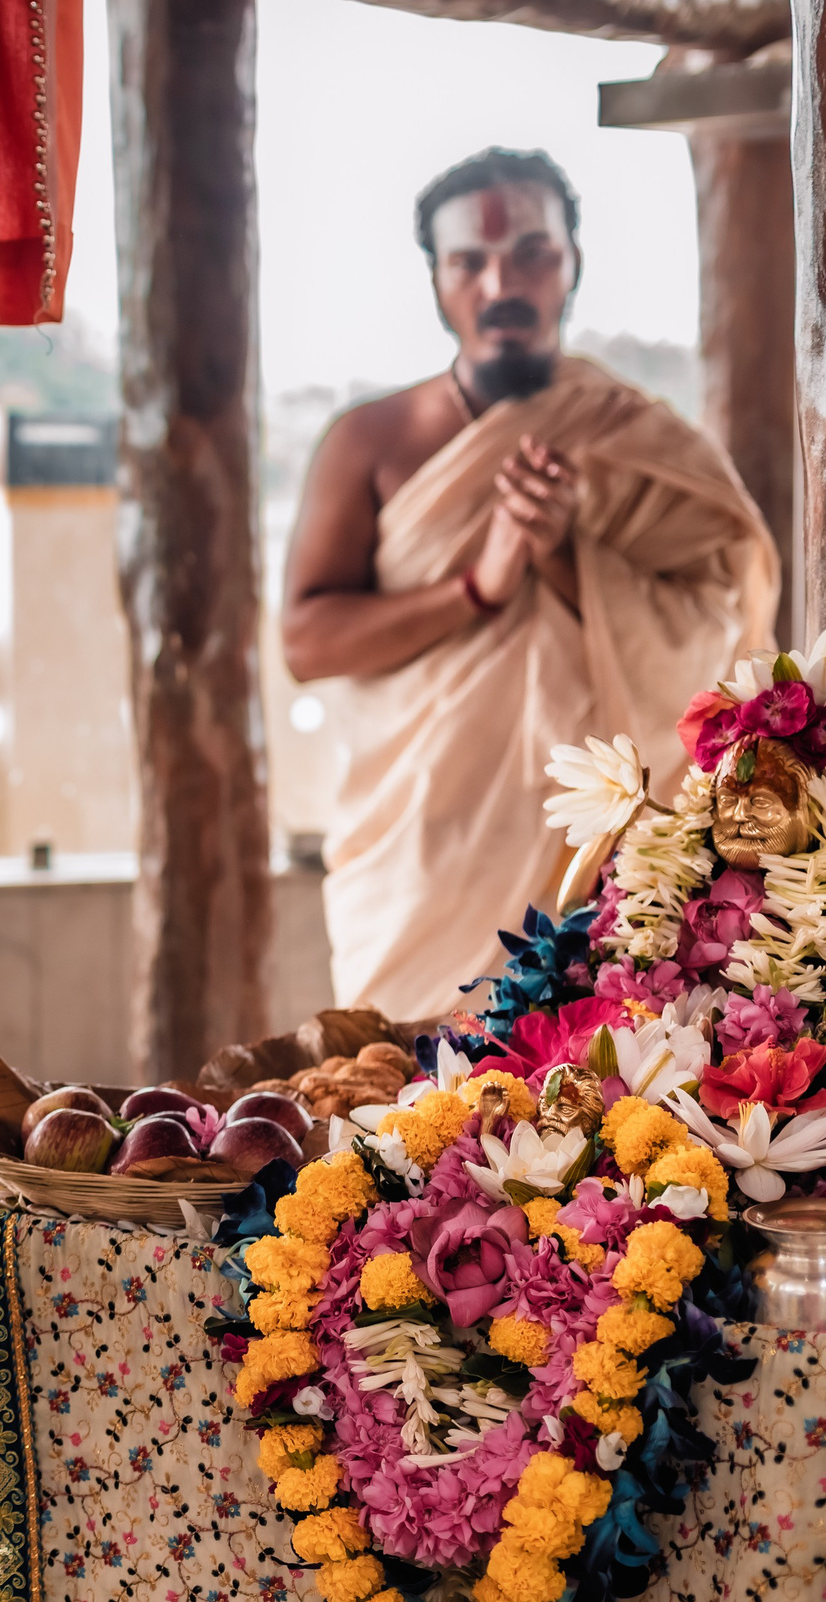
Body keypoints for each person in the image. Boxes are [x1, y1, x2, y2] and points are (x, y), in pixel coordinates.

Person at [280, 147, 776, 1023]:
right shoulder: (371, 440)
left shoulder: (637, 442)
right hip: (422, 856)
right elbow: (308, 642)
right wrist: (480, 582)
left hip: (592, 863)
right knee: (403, 1123)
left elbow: (729, 620)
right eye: (470, 259)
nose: (501, 280)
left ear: (572, 263)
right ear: (437, 280)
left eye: (532, 252)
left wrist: (564, 552)